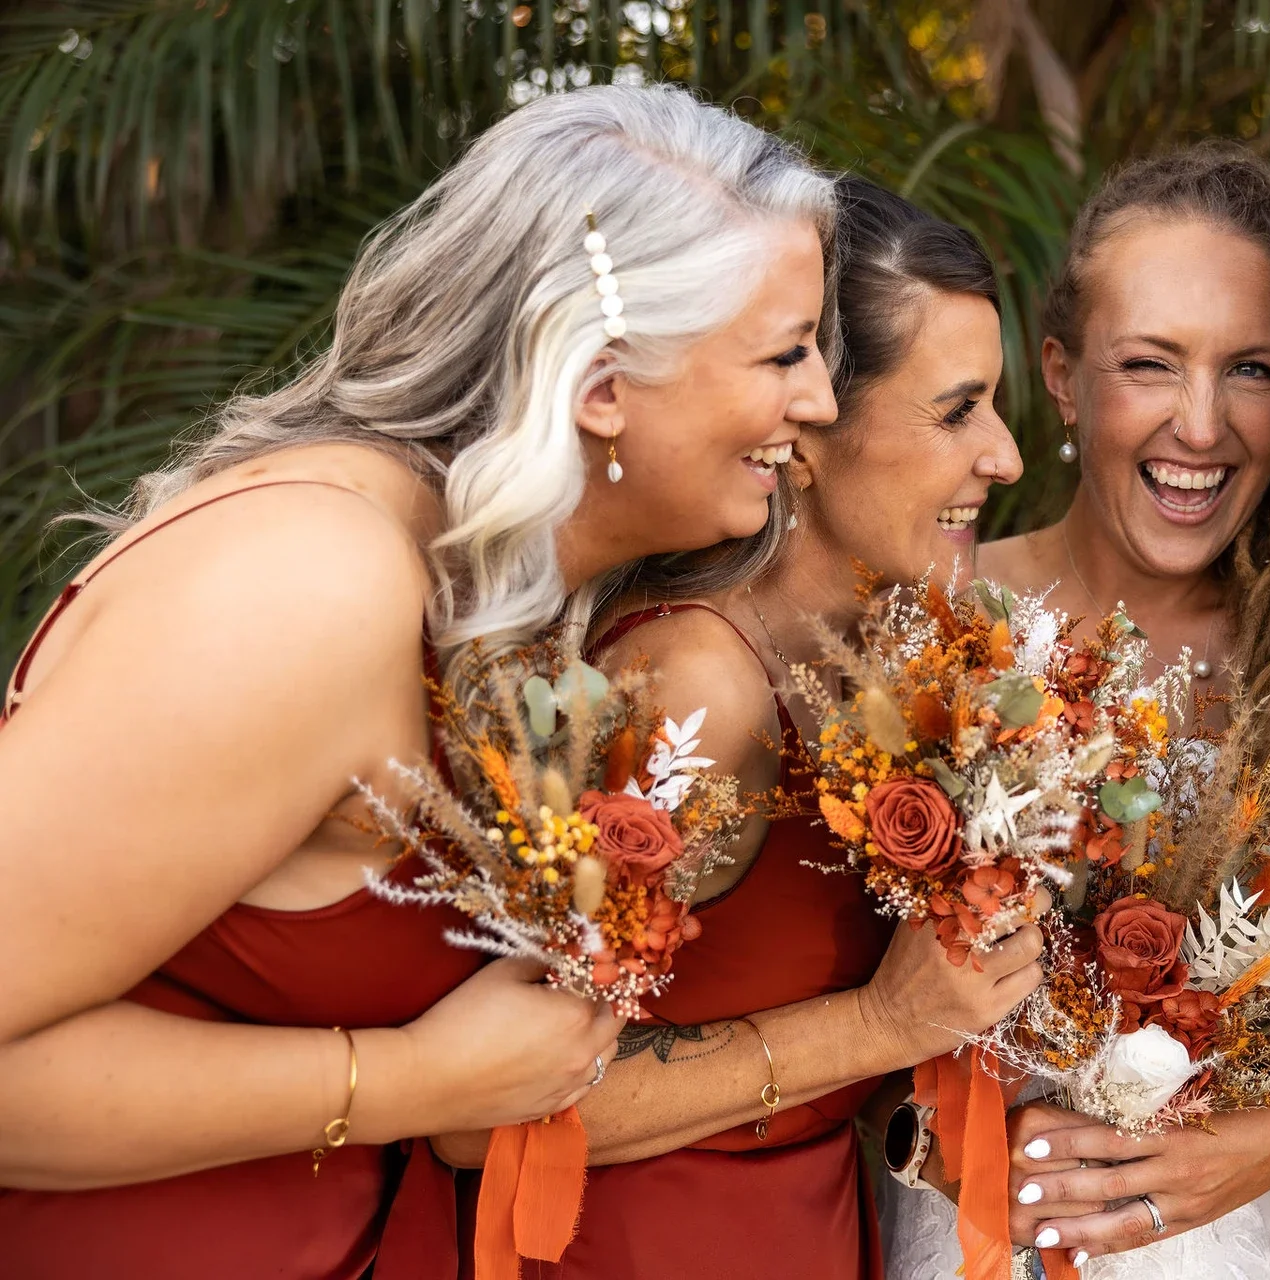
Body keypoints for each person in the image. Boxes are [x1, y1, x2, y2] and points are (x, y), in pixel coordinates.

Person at [0, 83, 839, 1279]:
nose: (818, 399)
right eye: (785, 350)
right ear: (602, 385)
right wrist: (413, 1081)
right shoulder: (311, 583)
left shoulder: (498, 598)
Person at [429, 177, 1039, 1280]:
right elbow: (476, 1113)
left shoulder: (878, 661)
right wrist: (879, 1026)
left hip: (804, 1224)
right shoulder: (699, 685)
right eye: (957, 409)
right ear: (805, 432)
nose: (1006, 456)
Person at [882, 146, 1270, 1277]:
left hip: (1252, 1241)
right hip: (979, 1231)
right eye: (1148, 363)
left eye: (1251, 370)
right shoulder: (941, 620)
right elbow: (841, 1000)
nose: (1200, 425)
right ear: (1064, 377)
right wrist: (938, 1148)